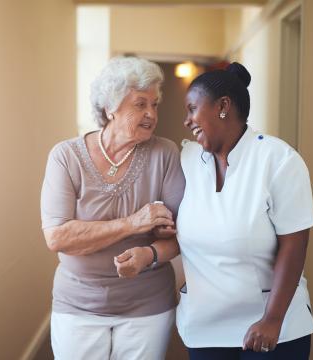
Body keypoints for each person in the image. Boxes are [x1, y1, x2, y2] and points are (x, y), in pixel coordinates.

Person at [40, 56, 185, 360]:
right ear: (110, 108)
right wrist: (134, 223)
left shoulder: (165, 153)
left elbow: (180, 235)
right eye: (140, 104)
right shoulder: (66, 157)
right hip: (78, 304)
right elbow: (58, 238)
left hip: (147, 305)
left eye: (154, 104)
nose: (151, 114)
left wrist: (149, 253)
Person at [176, 62, 313, 360]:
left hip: (271, 327)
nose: (187, 121)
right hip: (204, 328)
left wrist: (273, 319)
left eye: (192, 109)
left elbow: (294, 244)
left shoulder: (278, 160)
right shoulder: (188, 159)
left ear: (223, 106)